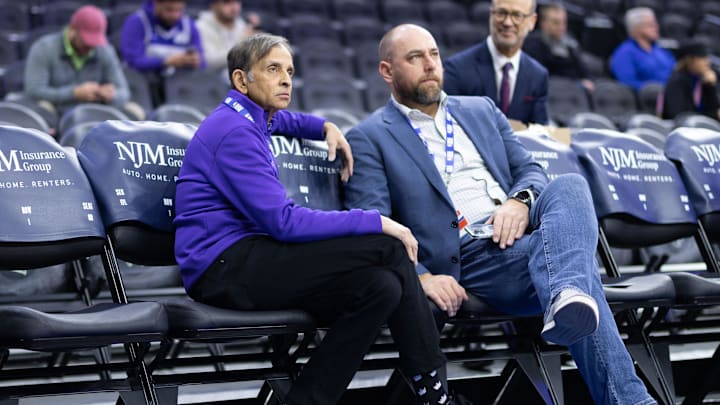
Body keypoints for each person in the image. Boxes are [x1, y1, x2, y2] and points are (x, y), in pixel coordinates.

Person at [343, 24, 657, 405]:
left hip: (519, 230)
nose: (429, 65)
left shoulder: (480, 110)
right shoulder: (370, 136)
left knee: (570, 185)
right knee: (578, 271)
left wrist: (518, 202)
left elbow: (531, 172)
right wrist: (419, 277)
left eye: (434, 54)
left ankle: (566, 293)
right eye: (415, 58)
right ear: (386, 71)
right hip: (470, 254)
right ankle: (580, 313)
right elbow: (374, 222)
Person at [174, 33, 455, 405]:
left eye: (289, 70)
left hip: (246, 257)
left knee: (380, 287)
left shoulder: (248, 118)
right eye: (273, 69)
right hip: (224, 267)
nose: (286, 79)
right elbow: (284, 223)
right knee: (388, 247)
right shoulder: (234, 133)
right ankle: (434, 393)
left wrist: (324, 127)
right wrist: (378, 221)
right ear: (242, 80)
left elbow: (283, 121)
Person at [23, 5, 140, 120]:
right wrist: (74, 93)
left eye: (94, 42)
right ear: (72, 31)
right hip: (57, 111)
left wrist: (110, 95)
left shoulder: (104, 50)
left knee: (134, 111)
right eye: (86, 41)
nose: (90, 46)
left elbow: (123, 92)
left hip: (96, 111)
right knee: (43, 108)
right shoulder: (44, 48)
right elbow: (34, 90)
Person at [444, 0, 549, 125]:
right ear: (491, 15)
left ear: (532, 21)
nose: (507, 22)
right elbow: (450, 127)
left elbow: (540, 133)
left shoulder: (538, 75)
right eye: (501, 13)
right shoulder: (457, 69)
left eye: (517, 15)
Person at [120, 0, 205, 106]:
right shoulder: (137, 22)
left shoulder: (189, 26)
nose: (175, 15)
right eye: (169, 10)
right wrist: (165, 61)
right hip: (144, 87)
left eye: (179, 10)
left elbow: (202, 63)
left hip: (179, 90)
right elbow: (132, 61)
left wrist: (195, 61)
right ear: (156, 4)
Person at [523, 2, 594, 92]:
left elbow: (584, 71)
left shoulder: (570, 43)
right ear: (543, 23)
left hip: (575, 96)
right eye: (556, 23)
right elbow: (539, 77)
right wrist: (576, 85)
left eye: (564, 22)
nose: (561, 27)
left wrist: (587, 81)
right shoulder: (532, 44)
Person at [610, 7, 675, 91]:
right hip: (647, 99)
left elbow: (675, 73)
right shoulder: (624, 53)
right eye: (650, 25)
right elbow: (627, 83)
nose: (656, 28)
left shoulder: (661, 50)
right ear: (636, 28)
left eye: (655, 24)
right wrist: (657, 90)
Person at [662, 40, 720, 120]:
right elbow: (679, 116)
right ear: (690, 60)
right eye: (702, 58)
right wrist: (713, 115)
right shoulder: (677, 82)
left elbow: (713, 110)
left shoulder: (702, 79)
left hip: (699, 126)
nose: (707, 62)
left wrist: (710, 86)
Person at [196, 0, 261, 71]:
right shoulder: (200, 27)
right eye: (227, 2)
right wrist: (240, 44)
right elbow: (207, 63)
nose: (234, 7)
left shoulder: (241, 24)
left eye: (237, 2)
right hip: (212, 79)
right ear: (213, 5)